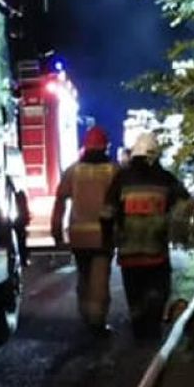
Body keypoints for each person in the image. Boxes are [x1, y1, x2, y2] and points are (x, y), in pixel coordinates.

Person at [107, 130, 190, 339]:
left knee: (134, 294)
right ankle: (152, 329)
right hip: (156, 252)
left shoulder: (121, 179)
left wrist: (109, 238)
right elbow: (185, 204)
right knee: (158, 291)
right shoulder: (165, 179)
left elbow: (107, 212)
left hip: (128, 253)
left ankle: (139, 331)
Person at [51, 126, 119, 334]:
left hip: (78, 236)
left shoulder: (73, 171)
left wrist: (56, 232)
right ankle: (96, 321)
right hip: (103, 235)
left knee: (84, 275)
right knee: (99, 279)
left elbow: (60, 202)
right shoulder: (113, 171)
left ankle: (84, 315)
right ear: (105, 147)